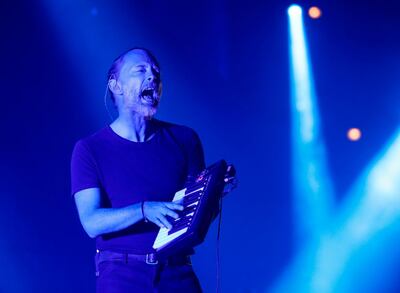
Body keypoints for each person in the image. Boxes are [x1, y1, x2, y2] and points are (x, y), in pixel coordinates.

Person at [71, 47, 205, 292]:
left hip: (177, 272)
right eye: (140, 70)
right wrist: (144, 210)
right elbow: (91, 221)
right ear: (116, 86)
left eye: (156, 72)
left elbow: (191, 213)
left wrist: (213, 193)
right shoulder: (90, 149)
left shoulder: (185, 139)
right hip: (121, 275)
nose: (153, 77)